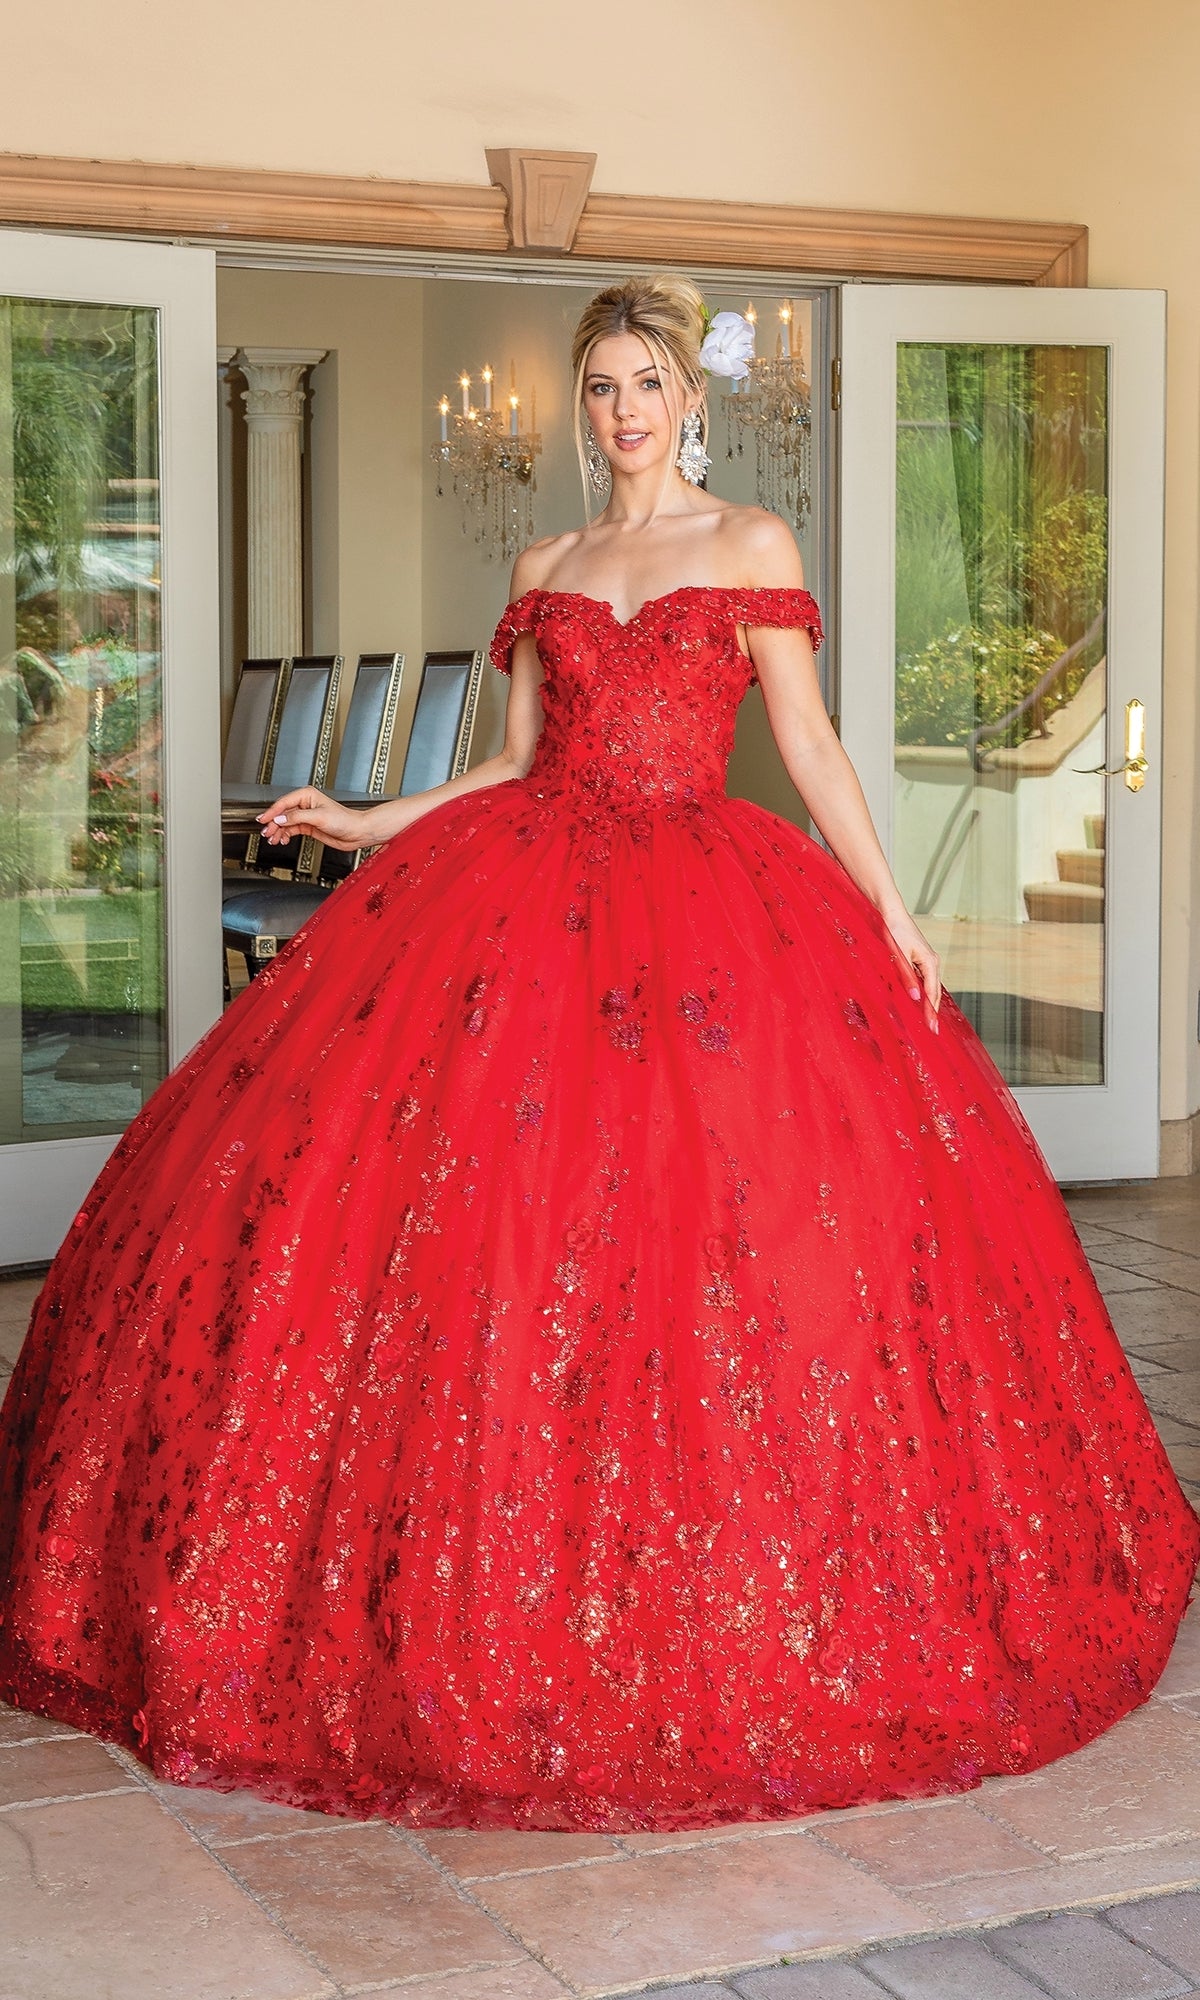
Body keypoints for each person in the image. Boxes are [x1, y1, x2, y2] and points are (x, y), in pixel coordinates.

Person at [0, 275, 1195, 1836]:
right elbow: (506, 763)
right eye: (602, 388)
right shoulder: (546, 560)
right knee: (478, 1220)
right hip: (525, 895)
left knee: (728, 1229)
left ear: (693, 399)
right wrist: (365, 822)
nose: (623, 410)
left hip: (710, 904)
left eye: (646, 384)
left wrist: (893, 911)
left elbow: (812, 745)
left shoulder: (749, 544)